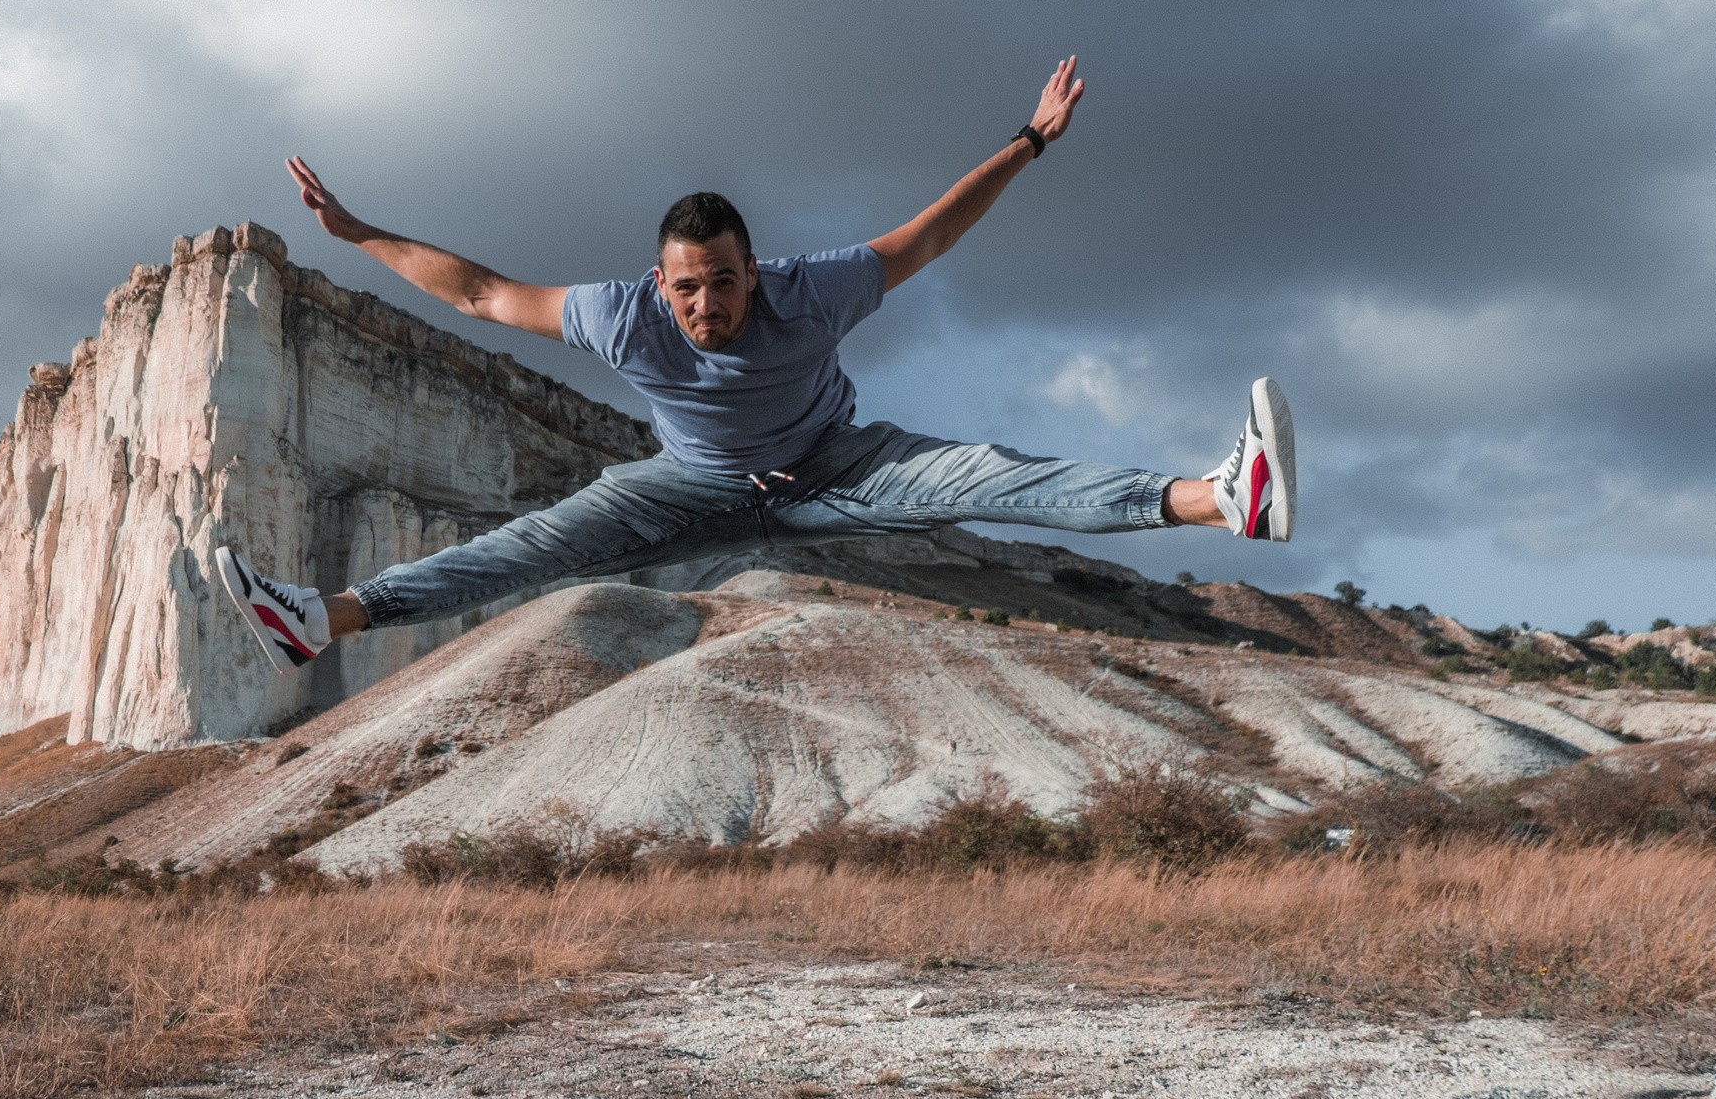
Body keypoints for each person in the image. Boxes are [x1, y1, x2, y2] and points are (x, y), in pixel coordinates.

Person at [215, 58, 1294, 673]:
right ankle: (317, 620)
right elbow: (481, 294)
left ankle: (1222, 498)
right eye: (688, 288)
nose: (708, 306)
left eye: (725, 283)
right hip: (690, 484)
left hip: (836, 466)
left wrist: (1031, 139)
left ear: (754, 270)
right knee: (532, 545)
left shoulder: (812, 288)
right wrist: (358, 232)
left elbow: (927, 238)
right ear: (659, 282)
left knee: (985, 475)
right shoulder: (619, 315)